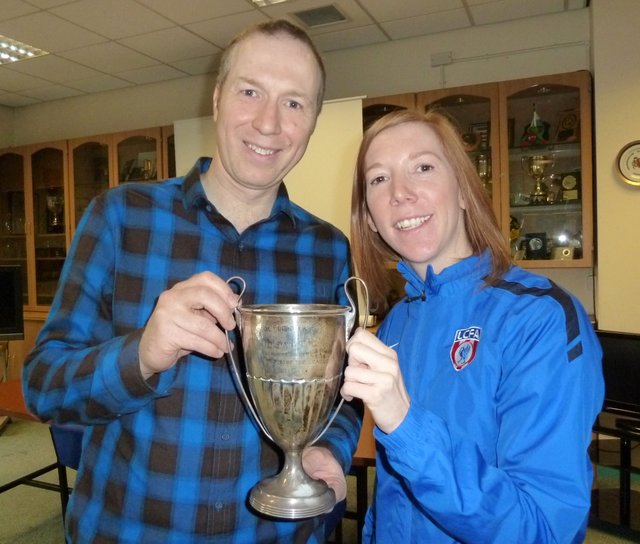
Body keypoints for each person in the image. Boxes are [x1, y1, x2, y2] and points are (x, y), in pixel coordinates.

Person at [23, 19, 361, 543]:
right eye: (251, 92)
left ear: (314, 120)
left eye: (295, 103)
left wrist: (327, 450)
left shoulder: (328, 250)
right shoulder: (120, 217)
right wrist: (142, 355)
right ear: (219, 98)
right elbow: (43, 387)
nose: (269, 123)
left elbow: (345, 394)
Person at [342, 109, 604, 543]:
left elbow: (542, 531)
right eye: (379, 179)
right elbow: (394, 496)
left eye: (422, 167)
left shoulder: (540, 320)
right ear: (369, 216)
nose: (401, 194)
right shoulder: (395, 326)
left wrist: (406, 426)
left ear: (464, 190)